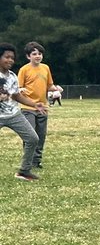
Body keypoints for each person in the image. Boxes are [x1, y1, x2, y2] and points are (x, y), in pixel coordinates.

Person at [0, 43, 46, 181]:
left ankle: (24, 171)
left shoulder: (12, 76)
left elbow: (16, 96)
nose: (10, 60)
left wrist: (34, 104)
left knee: (33, 138)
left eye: (12, 58)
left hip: (14, 114)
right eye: (7, 57)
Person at [17, 41, 55, 168]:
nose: (38, 56)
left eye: (40, 54)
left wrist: (56, 89)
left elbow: (50, 85)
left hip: (42, 107)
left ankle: (36, 161)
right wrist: (21, 89)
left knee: (41, 135)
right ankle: (27, 161)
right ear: (28, 56)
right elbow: (18, 87)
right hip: (28, 107)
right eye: (34, 54)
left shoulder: (46, 68)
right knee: (30, 135)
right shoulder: (24, 70)